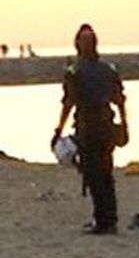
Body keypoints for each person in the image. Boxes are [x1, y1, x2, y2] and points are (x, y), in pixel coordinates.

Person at [52, 24, 127, 234]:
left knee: (94, 175)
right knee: (105, 173)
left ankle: (103, 221)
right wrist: (124, 125)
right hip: (106, 127)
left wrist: (58, 130)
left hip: (89, 127)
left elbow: (69, 102)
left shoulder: (75, 71)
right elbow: (119, 100)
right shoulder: (108, 70)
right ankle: (108, 219)